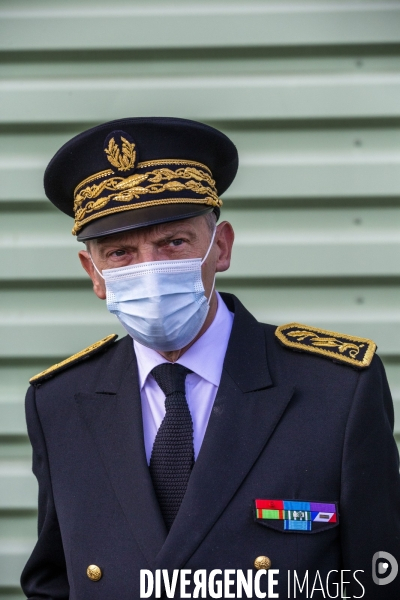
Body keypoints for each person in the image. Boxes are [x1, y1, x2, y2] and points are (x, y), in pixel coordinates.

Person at [21, 117, 400, 599]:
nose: (150, 270)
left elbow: (379, 579)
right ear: (93, 273)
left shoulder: (337, 390)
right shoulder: (58, 403)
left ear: (220, 247)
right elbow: (53, 582)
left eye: (173, 243)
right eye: (119, 253)